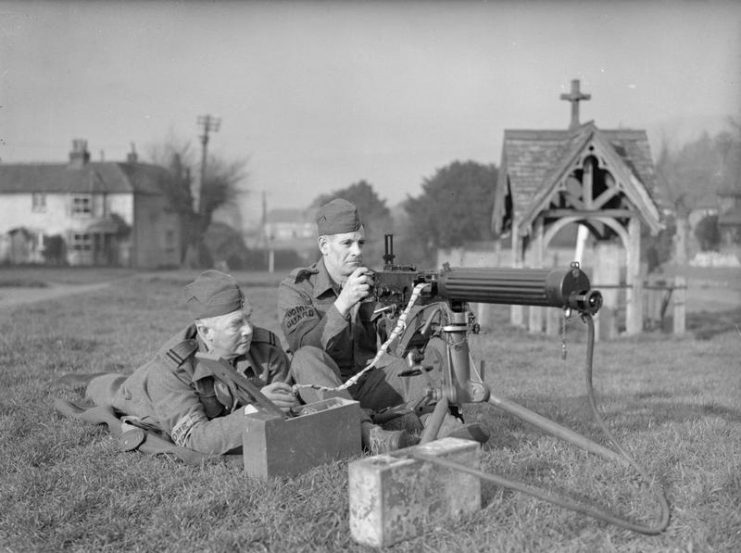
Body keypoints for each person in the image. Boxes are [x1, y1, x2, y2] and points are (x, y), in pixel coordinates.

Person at [278, 198, 487, 454]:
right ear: (324, 245)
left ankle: (444, 428)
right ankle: (369, 435)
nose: (357, 251)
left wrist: (421, 313)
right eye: (347, 243)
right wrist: (343, 302)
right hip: (320, 389)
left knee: (423, 359)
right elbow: (304, 345)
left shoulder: (371, 282)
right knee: (304, 358)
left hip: (365, 383)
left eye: (360, 243)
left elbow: (395, 344)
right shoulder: (297, 287)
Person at [72, 270, 299, 455]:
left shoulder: (267, 349)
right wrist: (257, 410)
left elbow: (289, 414)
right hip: (140, 396)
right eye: (236, 324)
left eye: (249, 317)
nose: (248, 330)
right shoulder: (172, 368)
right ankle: (91, 380)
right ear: (205, 331)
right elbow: (195, 440)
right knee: (101, 387)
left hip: (197, 406)